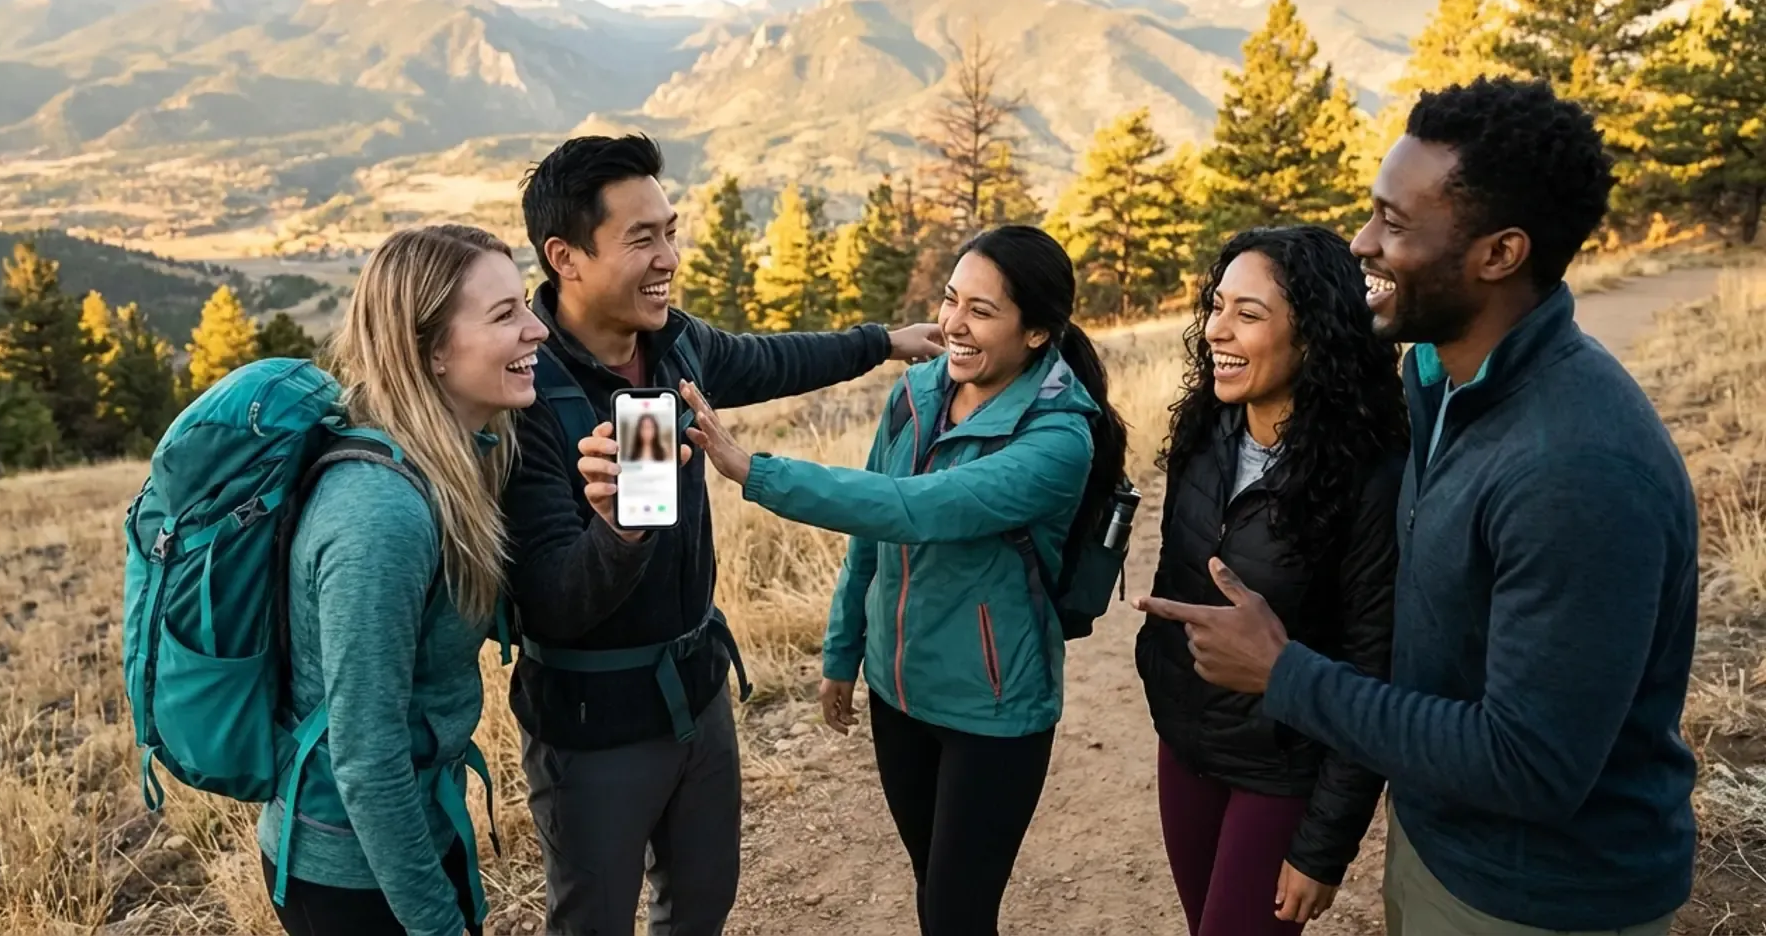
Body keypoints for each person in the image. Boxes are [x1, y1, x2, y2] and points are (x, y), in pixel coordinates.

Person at [1135, 77, 1700, 936]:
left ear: (1498, 255)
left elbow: (1533, 765)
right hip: (1442, 851)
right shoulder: (1437, 384)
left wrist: (1286, 676)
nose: (1362, 242)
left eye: (1394, 224)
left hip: (1543, 901)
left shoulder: (1576, 468)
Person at [501, 133, 944, 935]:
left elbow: (771, 361)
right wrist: (618, 531)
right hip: (593, 723)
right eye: (642, 238)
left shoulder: (675, 343)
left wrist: (881, 342)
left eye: (670, 230)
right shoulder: (526, 394)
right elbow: (550, 604)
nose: (669, 255)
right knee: (593, 921)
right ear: (565, 256)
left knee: (703, 903)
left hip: (697, 693)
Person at [670, 225, 1128, 936]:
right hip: (898, 692)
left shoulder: (1058, 440)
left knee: (955, 912)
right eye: (951, 300)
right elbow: (873, 537)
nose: (953, 325)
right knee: (931, 888)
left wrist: (754, 470)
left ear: (1037, 332)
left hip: (994, 710)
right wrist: (843, 651)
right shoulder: (917, 393)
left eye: (982, 310)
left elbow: (912, 508)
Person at [258, 225, 657, 936]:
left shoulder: (464, 461)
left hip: (416, 826)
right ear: (432, 349)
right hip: (351, 869)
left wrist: (610, 528)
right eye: (505, 314)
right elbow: (366, 756)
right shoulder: (377, 515)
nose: (538, 328)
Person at [1137, 225, 1407, 935]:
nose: (1216, 330)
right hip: (1185, 746)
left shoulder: (1371, 479)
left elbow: (1374, 664)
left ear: (1316, 335)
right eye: (1217, 305)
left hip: (1283, 770)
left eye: (1248, 314)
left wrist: (1323, 849)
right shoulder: (1206, 432)